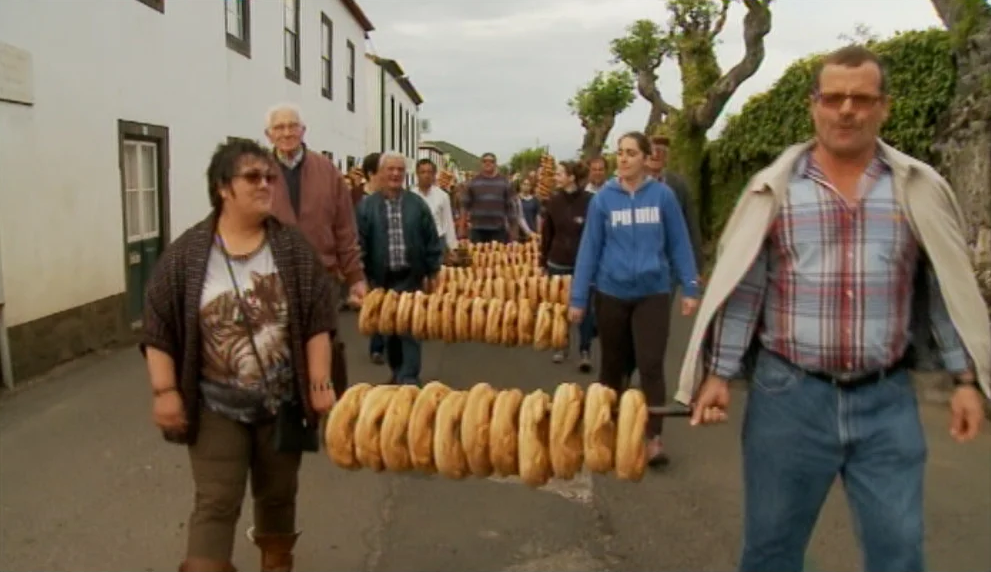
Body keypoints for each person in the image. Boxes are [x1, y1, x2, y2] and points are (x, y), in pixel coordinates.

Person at [678, 45, 990, 572]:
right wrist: (718, 373)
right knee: (770, 552)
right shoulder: (773, 190)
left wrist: (965, 380)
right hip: (788, 398)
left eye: (862, 99)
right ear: (814, 105)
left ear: (883, 107)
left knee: (900, 553)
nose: (847, 110)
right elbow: (748, 288)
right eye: (835, 97)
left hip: (886, 403)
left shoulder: (916, 188)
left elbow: (941, 291)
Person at [142, 139, 337, 572]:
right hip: (216, 405)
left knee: (278, 494)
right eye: (253, 177)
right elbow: (158, 326)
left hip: (282, 402)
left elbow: (317, 320)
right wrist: (164, 390)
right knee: (215, 499)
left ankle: (276, 563)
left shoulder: (292, 249)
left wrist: (321, 383)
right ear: (223, 188)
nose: (266, 184)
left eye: (269, 176)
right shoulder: (188, 254)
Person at [570, 131, 700, 466]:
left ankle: (653, 436)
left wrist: (690, 287)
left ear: (645, 157)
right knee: (613, 366)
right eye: (620, 152)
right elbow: (589, 251)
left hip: (652, 292)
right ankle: (607, 429)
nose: (624, 159)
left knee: (651, 364)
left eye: (631, 153)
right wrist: (578, 298)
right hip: (612, 292)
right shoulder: (603, 200)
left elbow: (679, 243)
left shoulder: (663, 197)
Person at [356, 152, 444, 385]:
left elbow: (431, 239)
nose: (395, 174)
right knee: (389, 331)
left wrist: (434, 270)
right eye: (390, 169)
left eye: (400, 170)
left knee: (410, 329)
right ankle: (397, 372)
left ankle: (410, 378)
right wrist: (360, 277)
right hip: (381, 279)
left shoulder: (417, 205)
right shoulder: (367, 207)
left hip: (411, 276)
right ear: (381, 173)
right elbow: (360, 243)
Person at [541, 160, 596, 371]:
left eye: (560, 173)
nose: (556, 177)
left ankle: (585, 350)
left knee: (585, 309)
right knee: (559, 307)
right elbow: (547, 233)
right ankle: (561, 345)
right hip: (557, 262)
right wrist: (543, 261)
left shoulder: (590, 201)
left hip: (583, 264)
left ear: (571, 177)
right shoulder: (553, 201)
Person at [360, 152, 388, 366]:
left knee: (394, 305)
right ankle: (377, 347)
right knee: (376, 305)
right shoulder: (354, 198)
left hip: (392, 259)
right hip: (367, 259)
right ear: (371, 174)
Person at [460, 152, 518, 243]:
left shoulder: (505, 183)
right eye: (485, 161)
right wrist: (462, 228)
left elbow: (511, 208)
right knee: (476, 256)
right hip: (477, 229)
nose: (488, 163)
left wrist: (513, 232)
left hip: (498, 230)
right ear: (481, 164)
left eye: (491, 161)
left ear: (495, 164)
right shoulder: (473, 182)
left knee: (498, 256)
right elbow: (464, 206)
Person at [411, 158, 458, 252]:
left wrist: (452, 247)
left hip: (437, 241)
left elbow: (447, 222)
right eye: (423, 172)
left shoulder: (442, 196)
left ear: (434, 174)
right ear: (417, 174)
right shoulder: (410, 196)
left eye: (430, 172)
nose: (426, 175)